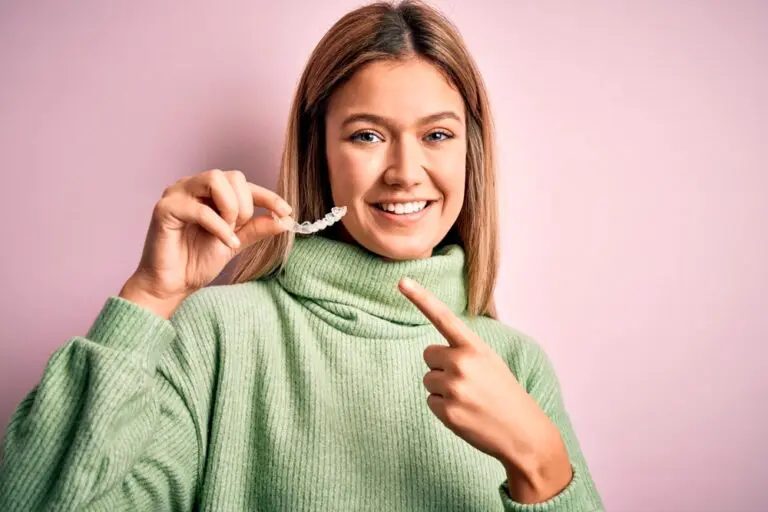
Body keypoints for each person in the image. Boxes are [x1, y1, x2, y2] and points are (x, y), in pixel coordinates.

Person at [0, 1, 604, 510]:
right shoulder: (217, 334)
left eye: (437, 135)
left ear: (469, 152)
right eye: (367, 135)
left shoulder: (517, 365)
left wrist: (542, 468)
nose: (404, 172)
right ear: (320, 152)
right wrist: (151, 296)